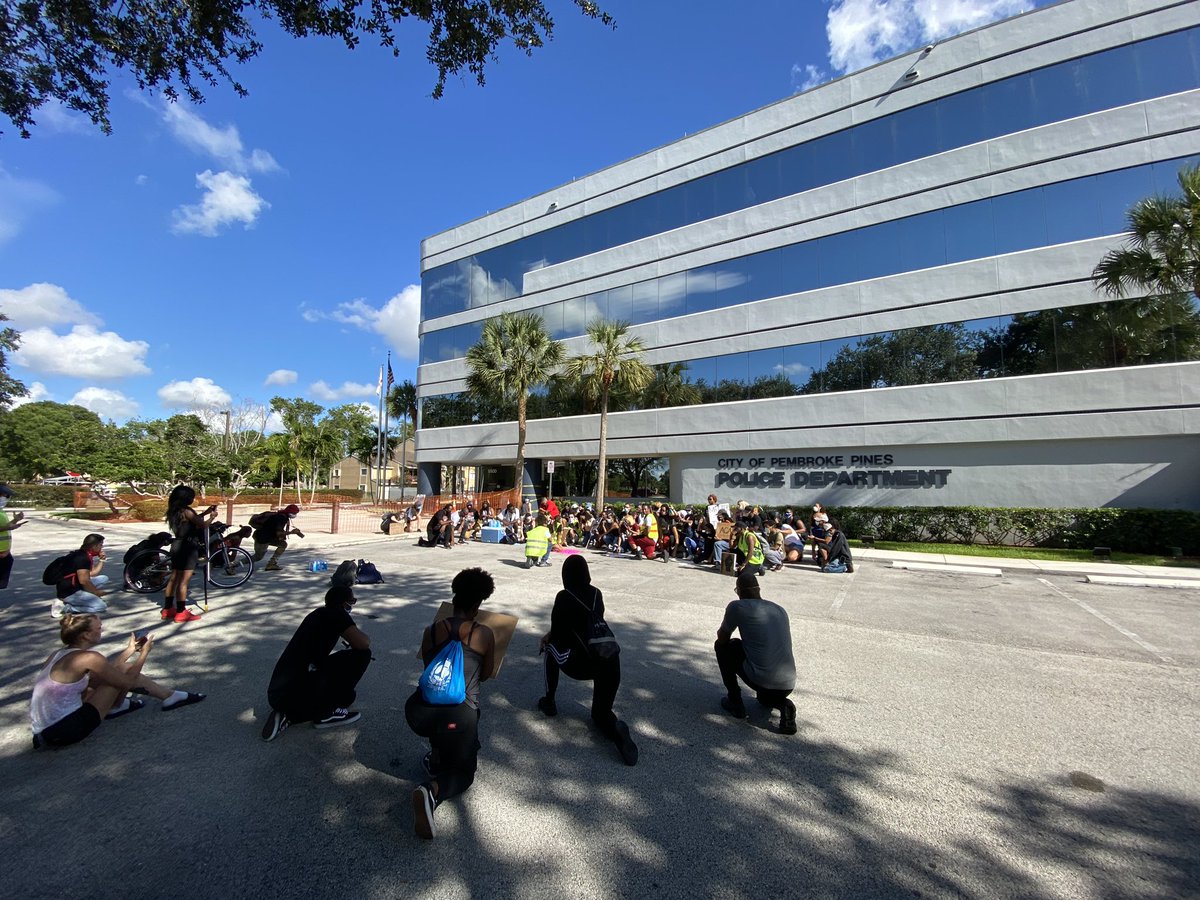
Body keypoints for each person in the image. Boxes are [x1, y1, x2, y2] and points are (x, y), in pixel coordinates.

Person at [406, 568, 497, 840]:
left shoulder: (431, 630)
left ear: (454, 598)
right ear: (477, 604)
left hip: (419, 713)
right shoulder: (483, 634)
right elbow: (487, 674)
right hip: (459, 717)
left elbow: (431, 675)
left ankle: (436, 756)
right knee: (465, 773)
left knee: (440, 707)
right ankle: (432, 792)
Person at [31, 613, 205, 749]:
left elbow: (106, 671)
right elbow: (126, 683)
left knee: (115, 673)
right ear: (85, 635)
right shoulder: (89, 657)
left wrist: (130, 650)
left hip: (45, 730)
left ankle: (168, 696)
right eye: (98, 628)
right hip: (65, 730)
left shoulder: (59, 654)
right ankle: (126, 705)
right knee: (122, 675)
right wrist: (144, 653)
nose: (102, 630)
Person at [537, 555, 638, 766]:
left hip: (582, 662)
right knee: (600, 714)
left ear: (566, 575)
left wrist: (548, 637)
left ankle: (549, 701)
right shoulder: (596, 594)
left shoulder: (564, 596)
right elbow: (590, 622)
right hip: (609, 659)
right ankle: (616, 728)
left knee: (549, 649)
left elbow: (559, 633)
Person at [261, 585, 372, 741]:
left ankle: (288, 714)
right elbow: (363, 644)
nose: (352, 605)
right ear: (343, 603)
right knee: (363, 655)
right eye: (352, 601)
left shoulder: (317, 614)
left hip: (279, 693)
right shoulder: (337, 614)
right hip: (293, 689)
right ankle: (325, 714)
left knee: (348, 697)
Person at [714, 572, 797, 735]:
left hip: (761, 680)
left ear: (739, 591)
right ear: (758, 589)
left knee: (724, 646)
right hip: (787, 684)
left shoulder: (738, 606)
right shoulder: (779, 609)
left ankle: (735, 701)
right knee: (763, 699)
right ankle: (784, 705)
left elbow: (722, 638)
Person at [164, 485, 216, 622]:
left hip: (177, 545)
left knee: (174, 578)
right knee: (184, 581)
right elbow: (202, 525)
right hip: (188, 547)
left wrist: (204, 513)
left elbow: (193, 520)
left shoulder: (174, 510)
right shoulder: (187, 510)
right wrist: (212, 517)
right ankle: (181, 612)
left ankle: (167, 608)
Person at [51, 533, 111, 618]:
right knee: (101, 606)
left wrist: (101, 560)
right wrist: (96, 592)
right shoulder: (83, 559)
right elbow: (84, 581)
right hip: (70, 592)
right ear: (94, 546)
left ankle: (85, 597)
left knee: (104, 578)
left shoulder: (84, 554)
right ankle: (65, 608)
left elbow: (93, 573)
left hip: (74, 585)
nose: (102, 547)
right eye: (101, 545)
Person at [252, 503, 305, 570]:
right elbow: (279, 533)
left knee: (283, 544)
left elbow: (277, 530)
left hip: (267, 537)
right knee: (257, 557)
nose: (295, 515)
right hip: (262, 538)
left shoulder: (282, 516)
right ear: (289, 512)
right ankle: (235, 564)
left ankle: (272, 564)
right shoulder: (281, 518)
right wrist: (291, 532)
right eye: (294, 513)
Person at [0, 483, 27, 590]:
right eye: (5, 495)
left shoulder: (1, 511)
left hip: (4, 553)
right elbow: (4, 528)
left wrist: (16, 520)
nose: (6, 498)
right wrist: (8, 528)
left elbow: (4, 526)